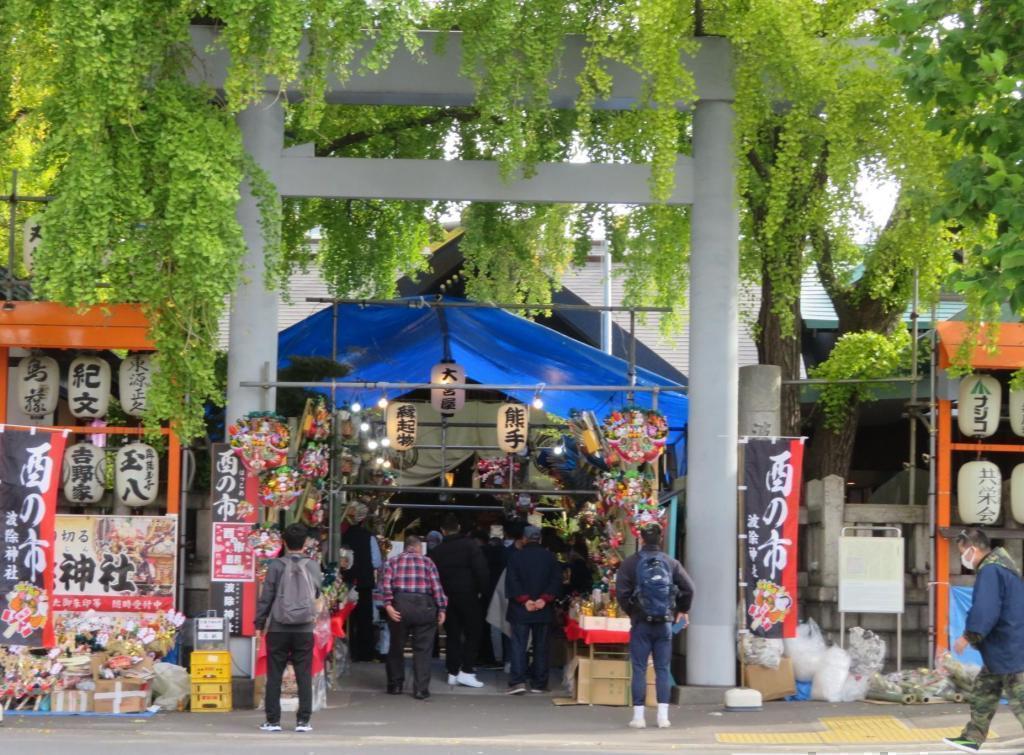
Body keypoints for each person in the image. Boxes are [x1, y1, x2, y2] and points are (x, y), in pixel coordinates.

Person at [943, 529, 1024, 753]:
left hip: (1009, 649)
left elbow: (986, 609)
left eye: (962, 552)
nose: (963, 558)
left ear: (973, 549)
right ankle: (972, 737)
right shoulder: (1003, 567)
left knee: (1020, 700)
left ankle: (973, 736)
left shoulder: (991, 570)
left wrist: (968, 635)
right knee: (983, 693)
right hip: (1003, 647)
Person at [616, 523, 694, 730]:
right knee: (662, 669)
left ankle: (638, 717)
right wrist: (681, 609)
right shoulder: (671, 563)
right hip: (664, 624)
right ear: (661, 539)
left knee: (639, 669)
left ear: (641, 539)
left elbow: (622, 593)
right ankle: (663, 717)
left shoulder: (630, 564)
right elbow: (689, 588)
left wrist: (633, 612)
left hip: (641, 624)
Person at [255, 523, 323, 733]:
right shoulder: (313, 566)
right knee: (303, 673)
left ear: (283, 542)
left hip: (278, 627)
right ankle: (303, 721)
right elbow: (318, 594)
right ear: (305, 543)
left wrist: (259, 624)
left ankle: (273, 721)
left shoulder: (275, 566)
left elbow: (266, 597)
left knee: (274, 673)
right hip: (304, 628)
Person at [377, 534, 448, 700]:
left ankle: (395, 685)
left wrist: (387, 605)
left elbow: (385, 585)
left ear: (405, 547)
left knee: (396, 646)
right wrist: (442, 608)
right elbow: (436, 587)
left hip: (400, 605)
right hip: (424, 607)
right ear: (418, 547)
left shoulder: (392, 562)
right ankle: (420, 689)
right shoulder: (428, 562)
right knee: (423, 649)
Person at [429, 514, 489, 687]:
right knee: (473, 632)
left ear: (443, 531)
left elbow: (433, 576)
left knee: (452, 634)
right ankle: (467, 670)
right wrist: (483, 592)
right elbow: (482, 571)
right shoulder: (471, 546)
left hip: (446, 597)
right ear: (459, 528)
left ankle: (452, 670)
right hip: (469, 595)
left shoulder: (437, 551)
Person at [504, 525, 562, 695]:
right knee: (541, 646)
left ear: (524, 539)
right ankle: (539, 683)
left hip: (521, 608)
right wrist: (544, 599)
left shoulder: (516, 557)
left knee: (518, 645)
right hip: (543, 608)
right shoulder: (551, 558)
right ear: (540, 539)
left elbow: (512, 580)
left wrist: (525, 600)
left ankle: (518, 681)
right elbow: (556, 580)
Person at [340, 502, 381, 662]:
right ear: (363, 520)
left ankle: (348, 652)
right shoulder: (368, 536)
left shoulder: (342, 536)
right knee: (365, 619)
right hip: (364, 583)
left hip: (345, 583)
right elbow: (376, 562)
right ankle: (365, 653)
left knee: (345, 618)